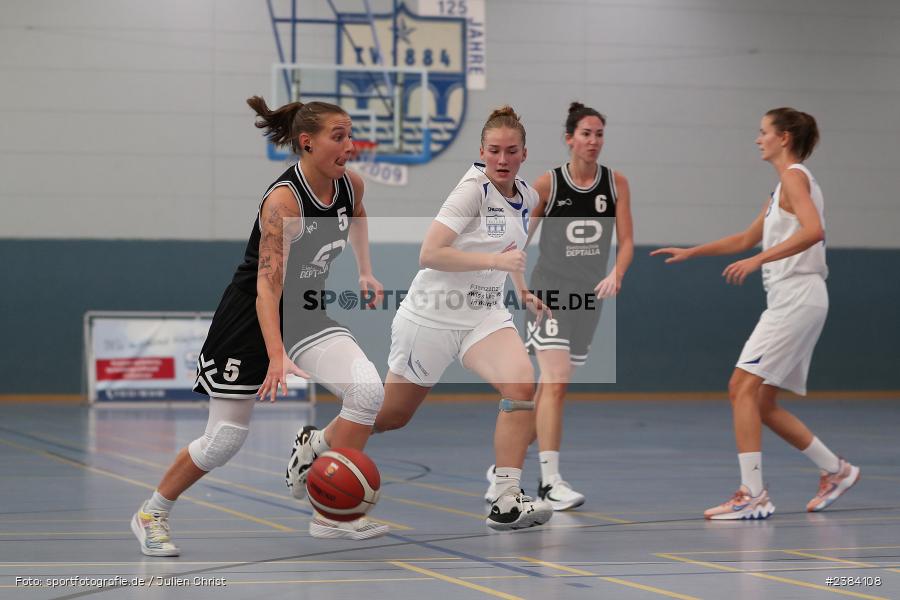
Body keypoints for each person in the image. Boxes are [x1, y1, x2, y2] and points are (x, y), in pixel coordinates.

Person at [131, 96, 388, 556]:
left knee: (367, 391)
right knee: (224, 439)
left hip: (307, 312)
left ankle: (328, 511)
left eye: (350, 134)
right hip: (250, 321)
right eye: (339, 136)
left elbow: (360, 217)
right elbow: (267, 289)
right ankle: (152, 512)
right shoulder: (283, 201)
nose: (350, 145)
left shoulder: (350, 186)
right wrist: (276, 354)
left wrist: (366, 269)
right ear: (307, 143)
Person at [288, 106, 555, 531]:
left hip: (484, 314)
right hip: (431, 317)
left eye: (511, 151)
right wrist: (494, 261)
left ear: (524, 153)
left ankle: (506, 497)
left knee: (522, 382)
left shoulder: (529, 196)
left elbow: (510, 252)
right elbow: (430, 253)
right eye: (493, 151)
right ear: (481, 151)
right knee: (392, 415)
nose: (502, 159)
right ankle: (316, 443)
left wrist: (521, 289)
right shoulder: (472, 191)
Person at [652, 107, 860, 520]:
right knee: (761, 402)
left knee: (740, 387)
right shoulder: (781, 188)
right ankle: (836, 470)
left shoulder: (794, 176)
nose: (756, 138)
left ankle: (753, 493)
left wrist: (757, 261)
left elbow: (812, 230)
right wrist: (694, 251)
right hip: (794, 298)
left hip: (797, 295)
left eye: (763, 131)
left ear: (784, 137)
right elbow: (748, 237)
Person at [484, 102, 634, 510]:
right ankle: (550, 481)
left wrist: (617, 272)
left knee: (555, 389)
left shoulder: (615, 184)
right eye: (586, 133)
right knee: (555, 382)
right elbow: (516, 239)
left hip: (588, 298)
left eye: (599, 133)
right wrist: (520, 288)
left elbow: (628, 242)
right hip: (549, 295)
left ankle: (503, 468)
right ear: (570, 138)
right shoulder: (548, 185)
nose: (593, 141)